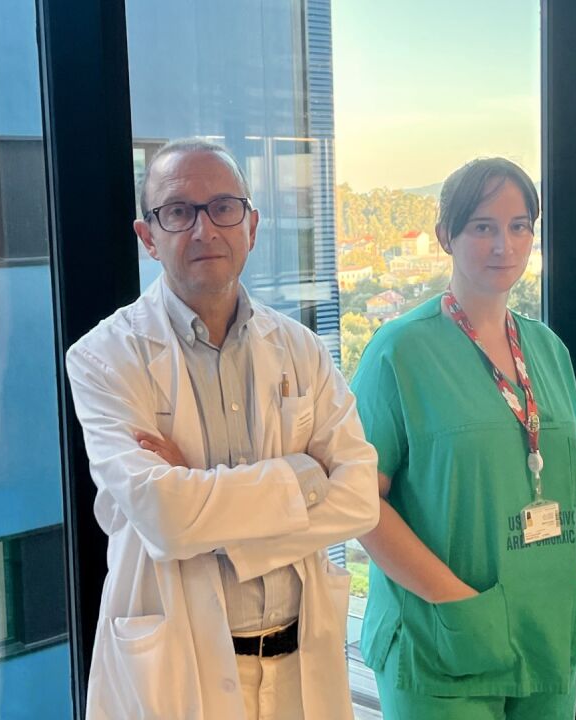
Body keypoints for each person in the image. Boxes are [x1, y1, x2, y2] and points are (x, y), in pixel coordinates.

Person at [66, 138, 379, 720]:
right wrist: (302, 476)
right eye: (178, 211)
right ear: (148, 237)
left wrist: (201, 496)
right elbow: (164, 514)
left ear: (251, 226)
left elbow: (360, 499)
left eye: (223, 207)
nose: (204, 228)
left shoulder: (301, 348)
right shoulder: (104, 357)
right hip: (178, 667)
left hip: (300, 662)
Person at [352, 157, 576, 719]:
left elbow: (565, 467)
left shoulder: (548, 349)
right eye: (483, 227)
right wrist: (455, 603)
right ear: (445, 236)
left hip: (547, 628)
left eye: (519, 226)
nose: (505, 245)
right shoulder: (398, 351)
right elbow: (360, 503)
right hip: (439, 640)